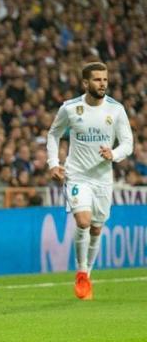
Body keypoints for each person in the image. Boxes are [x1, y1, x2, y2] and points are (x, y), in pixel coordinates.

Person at [46, 62, 133, 300]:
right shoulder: (70, 108)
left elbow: (128, 143)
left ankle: (88, 272)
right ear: (85, 83)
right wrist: (53, 162)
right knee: (83, 221)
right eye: (97, 80)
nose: (102, 84)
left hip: (103, 178)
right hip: (77, 175)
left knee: (96, 227)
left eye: (104, 79)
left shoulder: (116, 109)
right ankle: (81, 273)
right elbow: (53, 134)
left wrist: (113, 154)